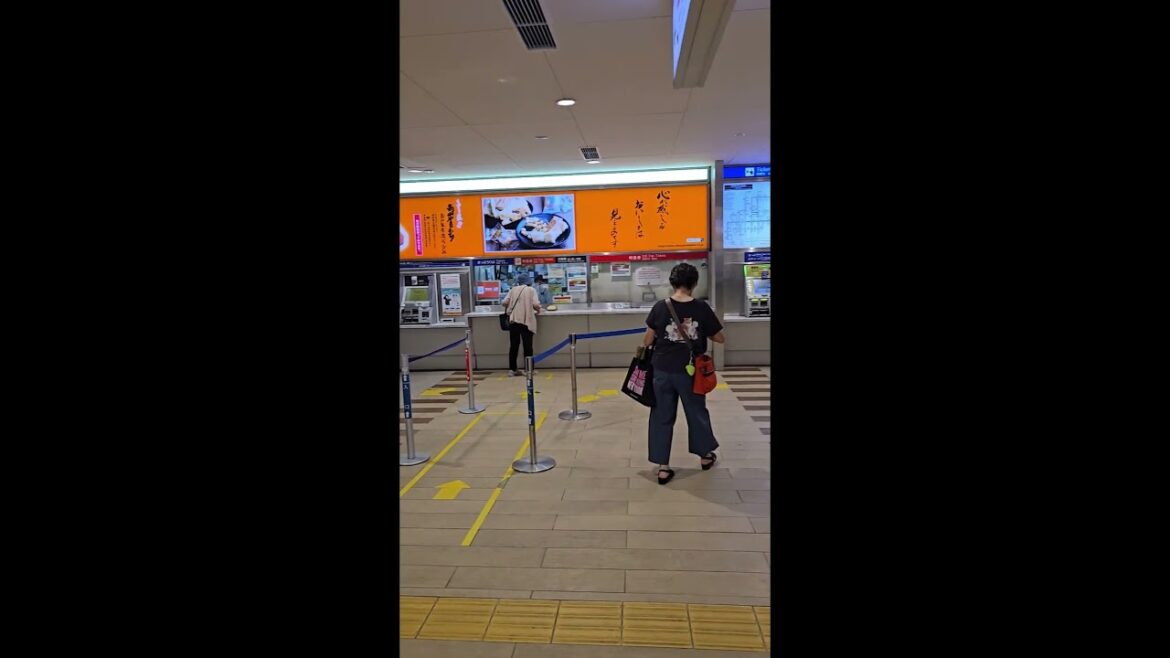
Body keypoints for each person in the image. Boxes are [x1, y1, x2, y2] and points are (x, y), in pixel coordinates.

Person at [640, 263, 725, 484]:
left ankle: (663, 467)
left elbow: (647, 340)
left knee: (661, 415)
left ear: (672, 282)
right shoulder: (701, 308)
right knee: (696, 411)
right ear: (694, 283)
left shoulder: (660, 307)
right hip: (690, 372)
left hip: (662, 370)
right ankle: (705, 456)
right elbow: (719, 338)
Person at [503, 272, 542, 376]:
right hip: (526, 321)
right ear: (529, 281)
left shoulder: (513, 290)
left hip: (514, 321)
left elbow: (504, 302)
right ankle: (529, 369)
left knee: (514, 346)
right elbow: (536, 304)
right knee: (527, 346)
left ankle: (512, 369)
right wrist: (539, 310)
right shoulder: (531, 290)